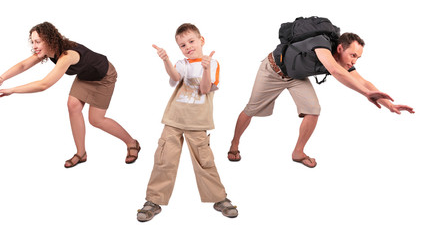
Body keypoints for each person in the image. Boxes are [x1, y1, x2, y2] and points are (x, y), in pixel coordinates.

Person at [228, 32, 414, 167]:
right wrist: (366, 95)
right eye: (353, 55)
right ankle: (234, 144)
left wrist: (389, 104)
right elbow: (334, 71)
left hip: (296, 76)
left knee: (313, 110)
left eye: (358, 57)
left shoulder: (342, 60)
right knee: (251, 109)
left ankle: (298, 152)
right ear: (340, 48)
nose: (354, 61)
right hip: (273, 70)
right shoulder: (321, 44)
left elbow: (363, 81)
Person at [0, 22, 141, 168]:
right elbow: (23, 65)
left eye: (38, 41)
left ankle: (131, 142)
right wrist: (1, 78)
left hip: (103, 76)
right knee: (72, 105)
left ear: (49, 40)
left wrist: (12, 90)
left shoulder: (67, 55)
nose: (34, 46)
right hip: (85, 76)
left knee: (96, 120)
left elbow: (44, 84)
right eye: (33, 41)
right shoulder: (48, 51)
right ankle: (81, 153)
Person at [136, 23, 238, 222]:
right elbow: (175, 77)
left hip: (198, 122)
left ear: (202, 40)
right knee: (164, 159)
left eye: (191, 41)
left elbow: (206, 88)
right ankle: (154, 201)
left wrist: (206, 68)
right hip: (174, 119)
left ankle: (219, 198)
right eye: (182, 45)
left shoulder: (212, 62)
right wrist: (166, 61)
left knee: (204, 161)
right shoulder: (182, 63)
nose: (188, 46)